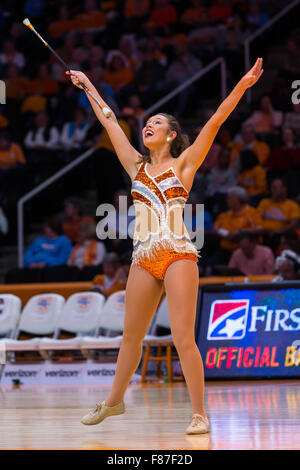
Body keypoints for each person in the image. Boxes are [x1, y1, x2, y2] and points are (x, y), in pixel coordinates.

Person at [67, 57, 264, 434]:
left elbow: (216, 121)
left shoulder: (186, 164)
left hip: (178, 254)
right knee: (130, 337)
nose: (147, 126)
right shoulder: (135, 166)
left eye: (156, 123)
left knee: (182, 337)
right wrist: (89, 85)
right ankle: (114, 402)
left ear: (172, 135)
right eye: (146, 123)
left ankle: (199, 413)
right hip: (144, 258)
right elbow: (109, 121)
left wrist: (241, 85)